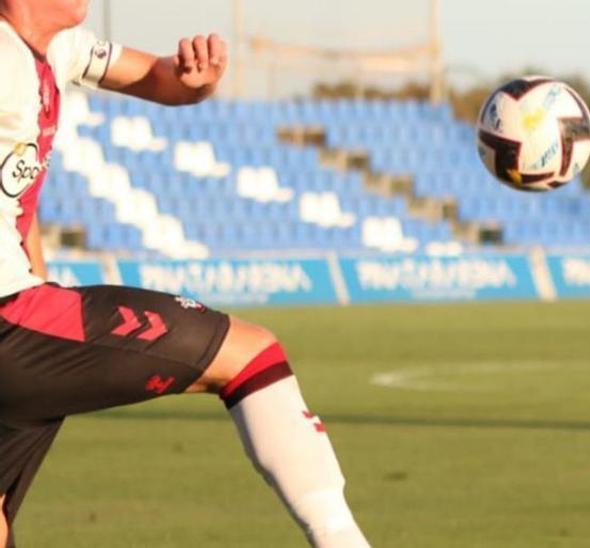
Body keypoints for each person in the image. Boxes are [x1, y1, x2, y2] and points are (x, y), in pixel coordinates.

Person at [0, 1, 369, 546]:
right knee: (251, 357)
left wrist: (195, 83)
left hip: (21, 319)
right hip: (11, 323)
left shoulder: (57, 47)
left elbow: (158, 78)